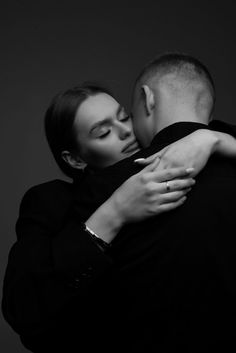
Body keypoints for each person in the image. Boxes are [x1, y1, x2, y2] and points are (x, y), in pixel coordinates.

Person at [2, 64, 236, 352]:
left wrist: (211, 139)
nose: (126, 131)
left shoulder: (202, 149)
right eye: (103, 133)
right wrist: (115, 211)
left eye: (125, 117)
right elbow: (24, 310)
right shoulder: (55, 202)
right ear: (75, 159)